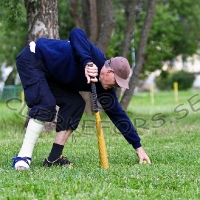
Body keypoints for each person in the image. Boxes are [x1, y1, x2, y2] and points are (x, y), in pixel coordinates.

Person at [12, 28, 151, 170]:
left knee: (75, 104)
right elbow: (76, 33)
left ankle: (54, 158)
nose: (115, 86)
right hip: (33, 58)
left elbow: (118, 115)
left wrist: (138, 147)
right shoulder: (94, 56)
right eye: (116, 82)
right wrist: (87, 62)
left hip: (53, 75)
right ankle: (23, 156)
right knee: (45, 105)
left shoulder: (105, 88)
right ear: (109, 72)